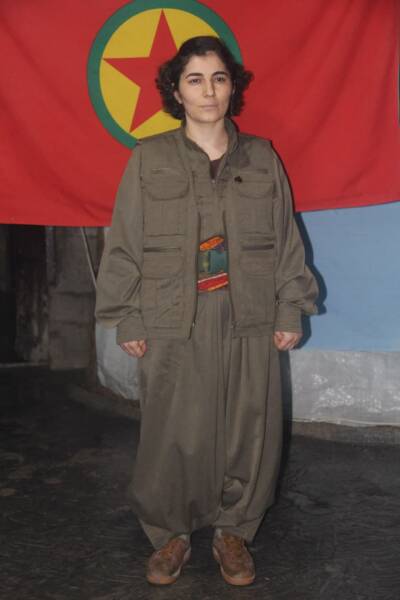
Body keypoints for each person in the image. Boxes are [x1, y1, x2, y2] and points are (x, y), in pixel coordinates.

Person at [95, 35, 318, 587]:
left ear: (232, 86)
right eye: (194, 79)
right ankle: (170, 532)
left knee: (250, 425)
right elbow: (124, 242)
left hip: (250, 312)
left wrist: (290, 308)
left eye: (219, 78)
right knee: (173, 428)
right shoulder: (149, 159)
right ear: (176, 91)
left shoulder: (262, 157)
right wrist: (129, 316)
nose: (209, 90)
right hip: (173, 314)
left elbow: (286, 238)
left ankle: (233, 530)